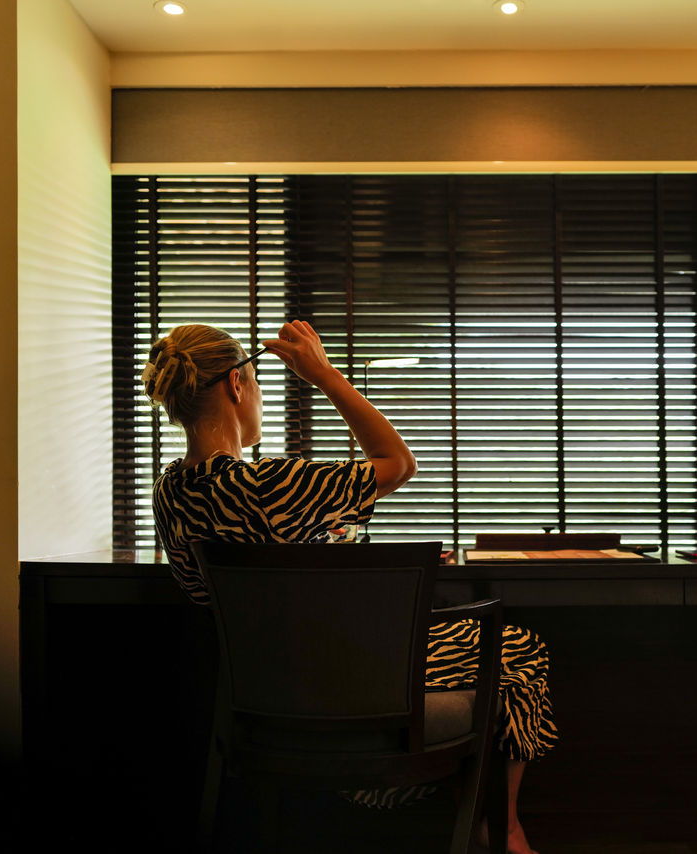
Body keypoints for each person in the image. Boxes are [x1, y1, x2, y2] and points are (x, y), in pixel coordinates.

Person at [143, 320, 556, 854]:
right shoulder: (271, 482)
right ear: (236, 385)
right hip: (343, 693)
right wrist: (326, 376)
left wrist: (315, 541)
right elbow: (399, 463)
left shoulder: (169, 492)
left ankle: (477, 813)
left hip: (266, 702)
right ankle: (500, 827)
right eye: (261, 386)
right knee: (518, 653)